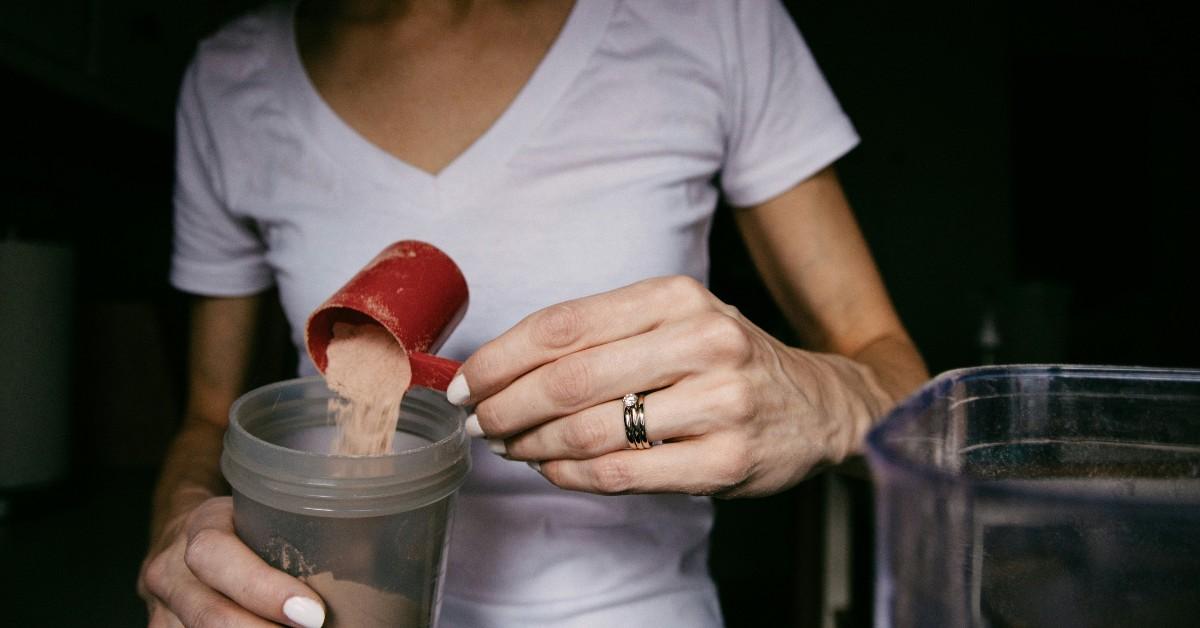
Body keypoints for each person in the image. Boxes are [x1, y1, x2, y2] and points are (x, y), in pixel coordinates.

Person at [137, 0, 929, 626]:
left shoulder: (711, 18)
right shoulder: (229, 81)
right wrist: (180, 528)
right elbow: (210, 418)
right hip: (329, 607)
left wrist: (828, 402)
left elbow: (891, 369)